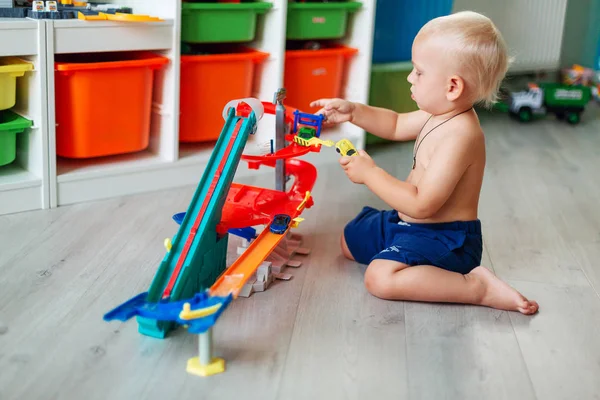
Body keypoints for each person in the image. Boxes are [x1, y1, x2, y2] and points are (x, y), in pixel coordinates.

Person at [310, 11, 539, 315]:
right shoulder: (439, 112)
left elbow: (421, 205)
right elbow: (394, 124)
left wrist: (371, 174)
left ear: (452, 87)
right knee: (349, 239)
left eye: (418, 71)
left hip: (446, 239)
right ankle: (405, 256)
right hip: (407, 223)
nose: (410, 77)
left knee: (379, 278)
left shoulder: (461, 135)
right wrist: (353, 111)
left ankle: (476, 287)